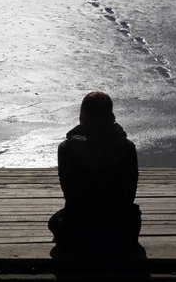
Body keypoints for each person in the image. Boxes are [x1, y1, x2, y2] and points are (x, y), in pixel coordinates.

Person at [48, 91, 141, 256]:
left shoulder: (66, 149)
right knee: (131, 216)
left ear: (83, 115)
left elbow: (70, 194)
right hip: (119, 230)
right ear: (110, 115)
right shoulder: (127, 148)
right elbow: (129, 195)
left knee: (54, 222)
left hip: (78, 229)